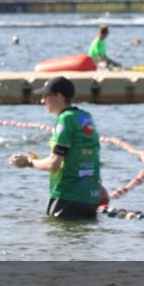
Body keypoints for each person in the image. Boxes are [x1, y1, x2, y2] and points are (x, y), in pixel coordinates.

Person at [8, 76, 104, 221]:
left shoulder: (65, 119)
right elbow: (79, 155)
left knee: (57, 241)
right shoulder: (85, 117)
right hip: (89, 198)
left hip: (68, 196)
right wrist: (39, 161)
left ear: (59, 96)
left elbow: (54, 164)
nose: (42, 101)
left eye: (46, 96)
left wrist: (28, 162)